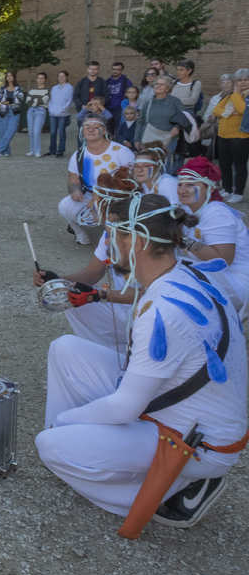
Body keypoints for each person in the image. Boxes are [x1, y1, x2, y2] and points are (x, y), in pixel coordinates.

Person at [34, 193, 247, 529]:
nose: (108, 244)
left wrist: (67, 422)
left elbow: (124, 408)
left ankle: (174, 488)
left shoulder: (164, 310)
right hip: (186, 414)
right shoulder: (186, 273)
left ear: (139, 240)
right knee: (65, 349)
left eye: (113, 234)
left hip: (198, 443)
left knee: (49, 445)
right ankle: (84, 446)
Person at [32, 168, 140, 351]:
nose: (89, 205)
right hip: (124, 309)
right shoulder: (109, 234)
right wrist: (57, 279)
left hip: (146, 315)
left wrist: (99, 295)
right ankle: (110, 353)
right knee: (70, 294)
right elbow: (92, 273)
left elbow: (147, 294)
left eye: (94, 200)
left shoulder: (139, 239)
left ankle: (127, 354)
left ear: (109, 205)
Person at [174, 157, 249, 316]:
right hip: (222, 279)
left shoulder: (216, 212)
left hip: (237, 281)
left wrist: (181, 240)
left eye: (191, 184)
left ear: (209, 188)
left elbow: (222, 260)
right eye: (180, 184)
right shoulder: (199, 211)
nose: (182, 190)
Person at [59, 113, 135, 245]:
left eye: (96, 126)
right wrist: (75, 190)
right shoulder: (78, 155)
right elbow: (72, 182)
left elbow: (132, 184)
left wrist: (102, 199)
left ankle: (115, 238)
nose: (91, 129)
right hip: (89, 195)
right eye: (87, 126)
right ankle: (82, 236)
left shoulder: (121, 152)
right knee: (65, 206)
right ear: (82, 131)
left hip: (118, 197)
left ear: (104, 130)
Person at [212, 76, 247, 203]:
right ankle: (227, 190)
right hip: (223, 135)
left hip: (240, 137)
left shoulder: (243, 96)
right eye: (240, 80)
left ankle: (238, 193)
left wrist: (237, 94)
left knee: (239, 166)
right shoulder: (227, 96)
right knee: (225, 164)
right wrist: (230, 112)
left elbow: (243, 108)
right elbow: (216, 110)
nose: (242, 82)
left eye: (245, 80)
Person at [135, 76, 188, 154]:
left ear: (167, 89)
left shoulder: (175, 101)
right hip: (148, 139)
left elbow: (184, 116)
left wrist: (177, 127)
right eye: (156, 84)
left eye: (162, 84)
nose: (158, 86)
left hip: (169, 139)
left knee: (166, 164)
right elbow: (140, 122)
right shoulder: (147, 104)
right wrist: (136, 140)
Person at [0, 71, 24, 157]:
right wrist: (11, 100)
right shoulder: (2, 88)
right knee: (3, 132)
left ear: (14, 77)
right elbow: (0, 99)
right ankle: (6, 151)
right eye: (7, 76)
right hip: (4, 112)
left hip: (14, 112)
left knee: (11, 131)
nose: (9, 77)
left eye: (11, 75)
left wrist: (7, 101)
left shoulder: (19, 88)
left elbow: (20, 99)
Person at [48, 70, 74, 157]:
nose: (60, 78)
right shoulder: (54, 88)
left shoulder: (69, 88)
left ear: (67, 77)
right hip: (53, 114)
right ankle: (52, 151)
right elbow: (51, 100)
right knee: (52, 132)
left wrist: (62, 109)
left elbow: (69, 101)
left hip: (63, 114)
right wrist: (50, 109)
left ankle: (60, 151)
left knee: (61, 132)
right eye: (59, 76)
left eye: (62, 76)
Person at [24, 72, 49, 157]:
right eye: (38, 78)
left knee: (36, 131)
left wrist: (34, 101)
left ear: (45, 79)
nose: (40, 80)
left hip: (40, 111)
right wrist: (37, 101)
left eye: (42, 78)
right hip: (30, 111)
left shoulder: (47, 90)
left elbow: (44, 100)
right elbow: (27, 101)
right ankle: (32, 150)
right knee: (30, 132)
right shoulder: (31, 90)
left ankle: (37, 150)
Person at [104, 63, 132, 131]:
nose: (115, 71)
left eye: (118, 69)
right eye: (113, 69)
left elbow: (131, 95)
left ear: (121, 70)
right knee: (108, 131)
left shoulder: (126, 81)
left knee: (119, 130)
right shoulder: (107, 81)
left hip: (120, 109)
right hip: (108, 109)